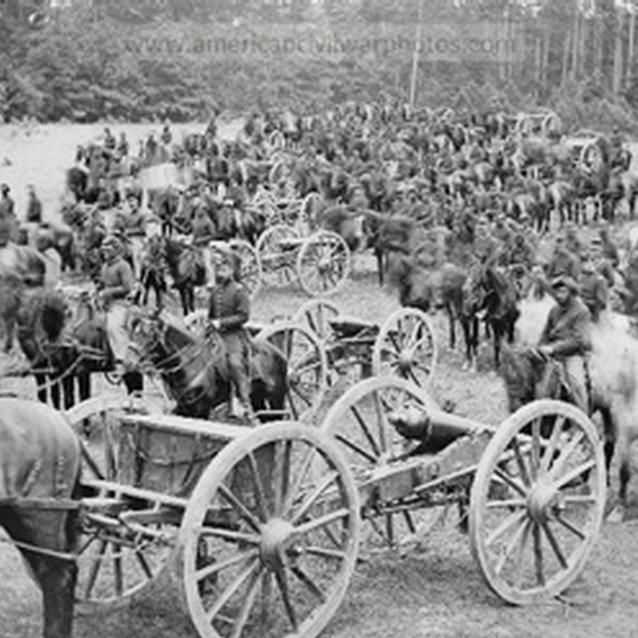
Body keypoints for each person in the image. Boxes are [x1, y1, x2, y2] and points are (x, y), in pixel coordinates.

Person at [207, 247, 258, 426]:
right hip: (215, 335)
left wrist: (222, 323)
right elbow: (210, 314)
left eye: (226, 267)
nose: (222, 270)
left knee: (234, 364)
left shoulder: (239, 290)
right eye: (220, 267)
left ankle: (245, 403)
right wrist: (210, 326)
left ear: (233, 270)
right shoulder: (215, 291)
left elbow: (244, 316)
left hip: (234, 335)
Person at [536, 274, 592, 413]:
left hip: (573, 354)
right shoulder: (554, 310)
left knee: (576, 383)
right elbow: (546, 332)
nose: (558, 295)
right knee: (539, 385)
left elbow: (579, 340)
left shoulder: (582, 311)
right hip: (553, 354)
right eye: (556, 291)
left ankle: (582, 421)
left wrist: (553, 348)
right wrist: (540, 347)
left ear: (572, 293)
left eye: (562, 291)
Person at [98, 235, 135, 377]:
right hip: (105, 302)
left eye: (108, 250)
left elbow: (127, 288)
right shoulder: (105, 266)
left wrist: (108, 293)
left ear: (116, 250)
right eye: (103, 250)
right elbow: (102, 284)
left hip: (120, 303)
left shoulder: (123, 266)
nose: (105, 253)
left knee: (114, 327)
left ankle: (121, 360)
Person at [579, 250, 608, 323]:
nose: (586, 263)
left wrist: (584, 301)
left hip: (589, 310)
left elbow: (599, 302)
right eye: (584, 261)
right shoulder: (581, 276)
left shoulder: (599, 279)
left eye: (591, 260)